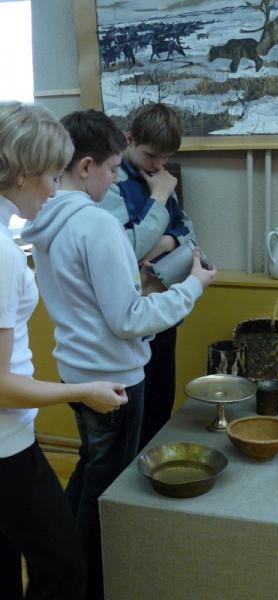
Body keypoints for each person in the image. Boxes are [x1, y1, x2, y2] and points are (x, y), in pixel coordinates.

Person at [22, 109, 216, 600]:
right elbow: (129, 318)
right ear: (86, 166)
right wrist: (193, 286)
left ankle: (65, 572)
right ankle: (87, 583)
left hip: (76, 370)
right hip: (113, 380)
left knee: (91, 467)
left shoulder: (45, 218)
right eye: (111, 168)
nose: (115, 180)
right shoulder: (96, 224)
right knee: (107, 489)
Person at [0, 101, 127, 600]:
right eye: (53, 177)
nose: (54, 191)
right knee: (64, 566)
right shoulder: (4, 256)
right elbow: (1, 386)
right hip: (6, 443)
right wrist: (83, 391)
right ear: (22, 173)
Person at [99, 102, 196, 449]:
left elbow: (189, 232)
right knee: (132, 424)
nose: (158, 165)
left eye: (165, 157)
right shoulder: (111, 183)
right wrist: (160, 197)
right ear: (129, 139)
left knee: (160, 406)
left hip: (164, 304)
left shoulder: (160, 176)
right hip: (132, 315)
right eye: (152, 155)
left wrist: (165, 242)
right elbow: (126, 250)